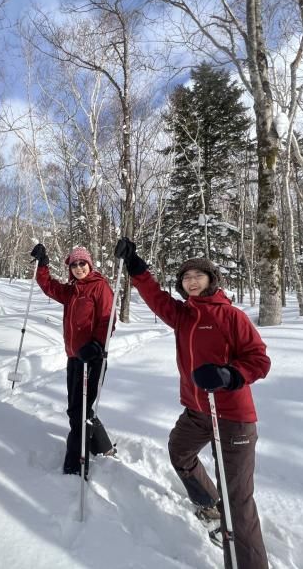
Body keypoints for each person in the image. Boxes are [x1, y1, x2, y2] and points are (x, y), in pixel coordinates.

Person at [114, 237, 270, 569]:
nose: (192, 281)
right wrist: (136, 265)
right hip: (198, 412)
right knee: (179, 452)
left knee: (237, 503)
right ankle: (208, 502)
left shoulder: (231, 316)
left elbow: (259, 360)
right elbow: (155, 297)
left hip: (232, 417)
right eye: (186, 278)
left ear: (211, 280)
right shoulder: (183, 315)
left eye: (198, 275)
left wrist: (229, 375)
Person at [30, 243, 116, 478]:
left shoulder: (100, 287)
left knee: (79, 412)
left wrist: (97, 345)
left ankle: (76, 464)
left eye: (82, 263)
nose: (78, 268)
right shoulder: (72, 290)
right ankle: (104, 446)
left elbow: (108, 320)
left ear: (89, 264)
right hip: (74, 358)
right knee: (78, 409)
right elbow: (48, 286)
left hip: (93, 359)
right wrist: (43, 266)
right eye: (74, 264)